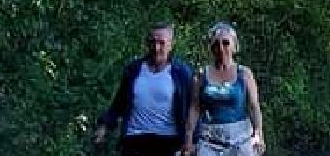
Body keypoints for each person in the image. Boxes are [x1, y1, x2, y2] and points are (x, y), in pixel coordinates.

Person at [95, 22, 198, 156]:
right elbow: (118, 103)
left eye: (162, 43)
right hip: (134, 139)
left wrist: (192, 140)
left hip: (168, 141)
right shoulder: (134, 70)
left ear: (171, 44)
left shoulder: (182, 73)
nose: (156, 48)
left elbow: (193, 108)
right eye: (152, 42)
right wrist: (104, 125)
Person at [187, 21, 266, 156]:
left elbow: (254, 106)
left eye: (225, 43)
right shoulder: (201, 75)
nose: (221, 48)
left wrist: (258, 134)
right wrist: (188, 138)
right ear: (211, 48)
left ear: (234, 47)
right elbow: (195, 107)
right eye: (216, 44)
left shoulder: (245, 74)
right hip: (210, 140)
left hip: (241, 140)